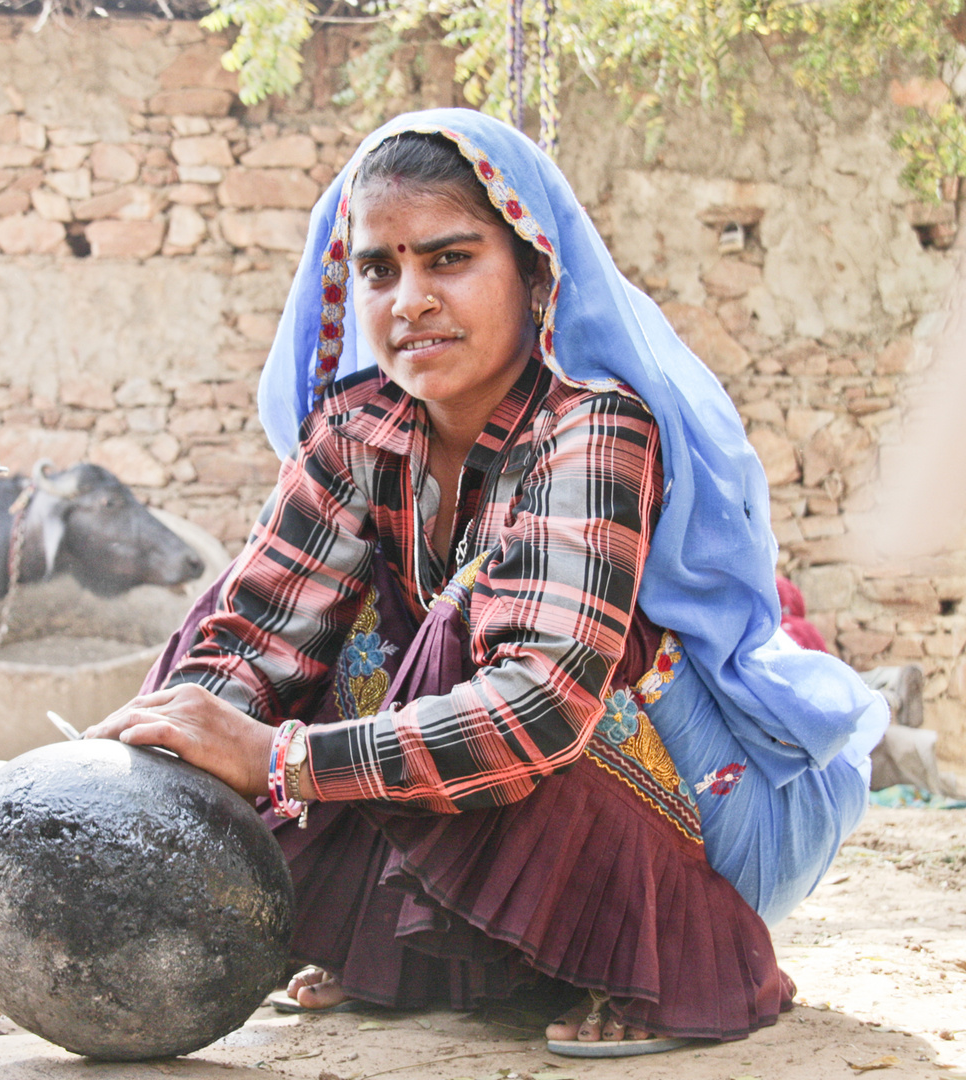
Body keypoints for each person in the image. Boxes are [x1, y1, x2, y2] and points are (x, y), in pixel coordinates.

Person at [85, 110, 886, 1057]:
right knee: (282, 630)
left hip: (707, 821)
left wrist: (281, 760)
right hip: (509, 789)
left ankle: (676, 954)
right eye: (379, 269)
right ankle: (431, 946)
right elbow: (258, 634)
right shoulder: (358, 432)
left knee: (471, 602)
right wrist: (160, 749)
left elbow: (539, 704)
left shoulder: (593, 429)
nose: (409, 300)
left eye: (449, 259)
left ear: (534, 273)